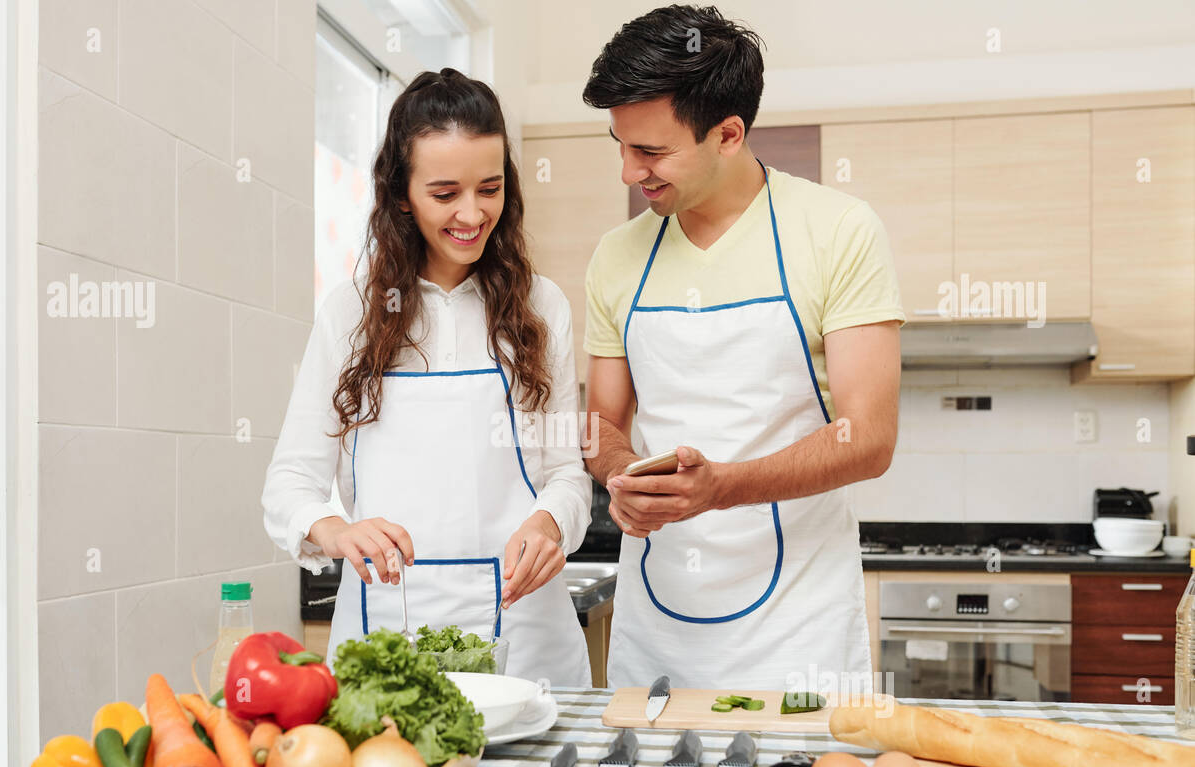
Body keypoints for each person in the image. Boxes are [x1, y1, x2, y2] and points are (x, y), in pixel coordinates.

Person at [581, 5, 904, 690]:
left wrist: (721, 488)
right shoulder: (617, 256)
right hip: (658, 621)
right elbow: (602, 423)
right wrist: (619, 475)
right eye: (620, 144)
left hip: (799, 626)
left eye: (650, 151)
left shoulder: (837, 230)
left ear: (729, 133)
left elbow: (868, 438)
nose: (627, 172)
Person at [262, 68, 592, 686]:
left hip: (523, 634)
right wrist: (337, 531)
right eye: (445, 193)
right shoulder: (351, 313)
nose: (472, 213)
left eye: (489, 188)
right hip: (389, 631)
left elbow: (566, 475)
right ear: (401, 194)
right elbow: (288, 487)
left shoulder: (541, 307)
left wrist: (550, 524)